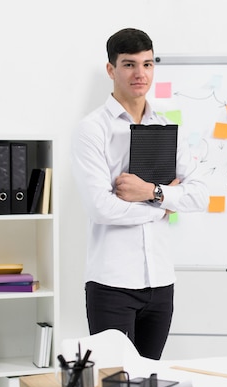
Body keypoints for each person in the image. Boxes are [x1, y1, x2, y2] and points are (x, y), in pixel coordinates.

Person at [71, 28, 209, 359]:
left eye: (147, 64)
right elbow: (101, 208)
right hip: (112, 284)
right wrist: (163, 206)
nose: (140, 74)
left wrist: (149, 192)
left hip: (161, 283)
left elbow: (200, 194)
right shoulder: (92, 129)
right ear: (111, 70)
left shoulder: (164, 125)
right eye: (129, 64)